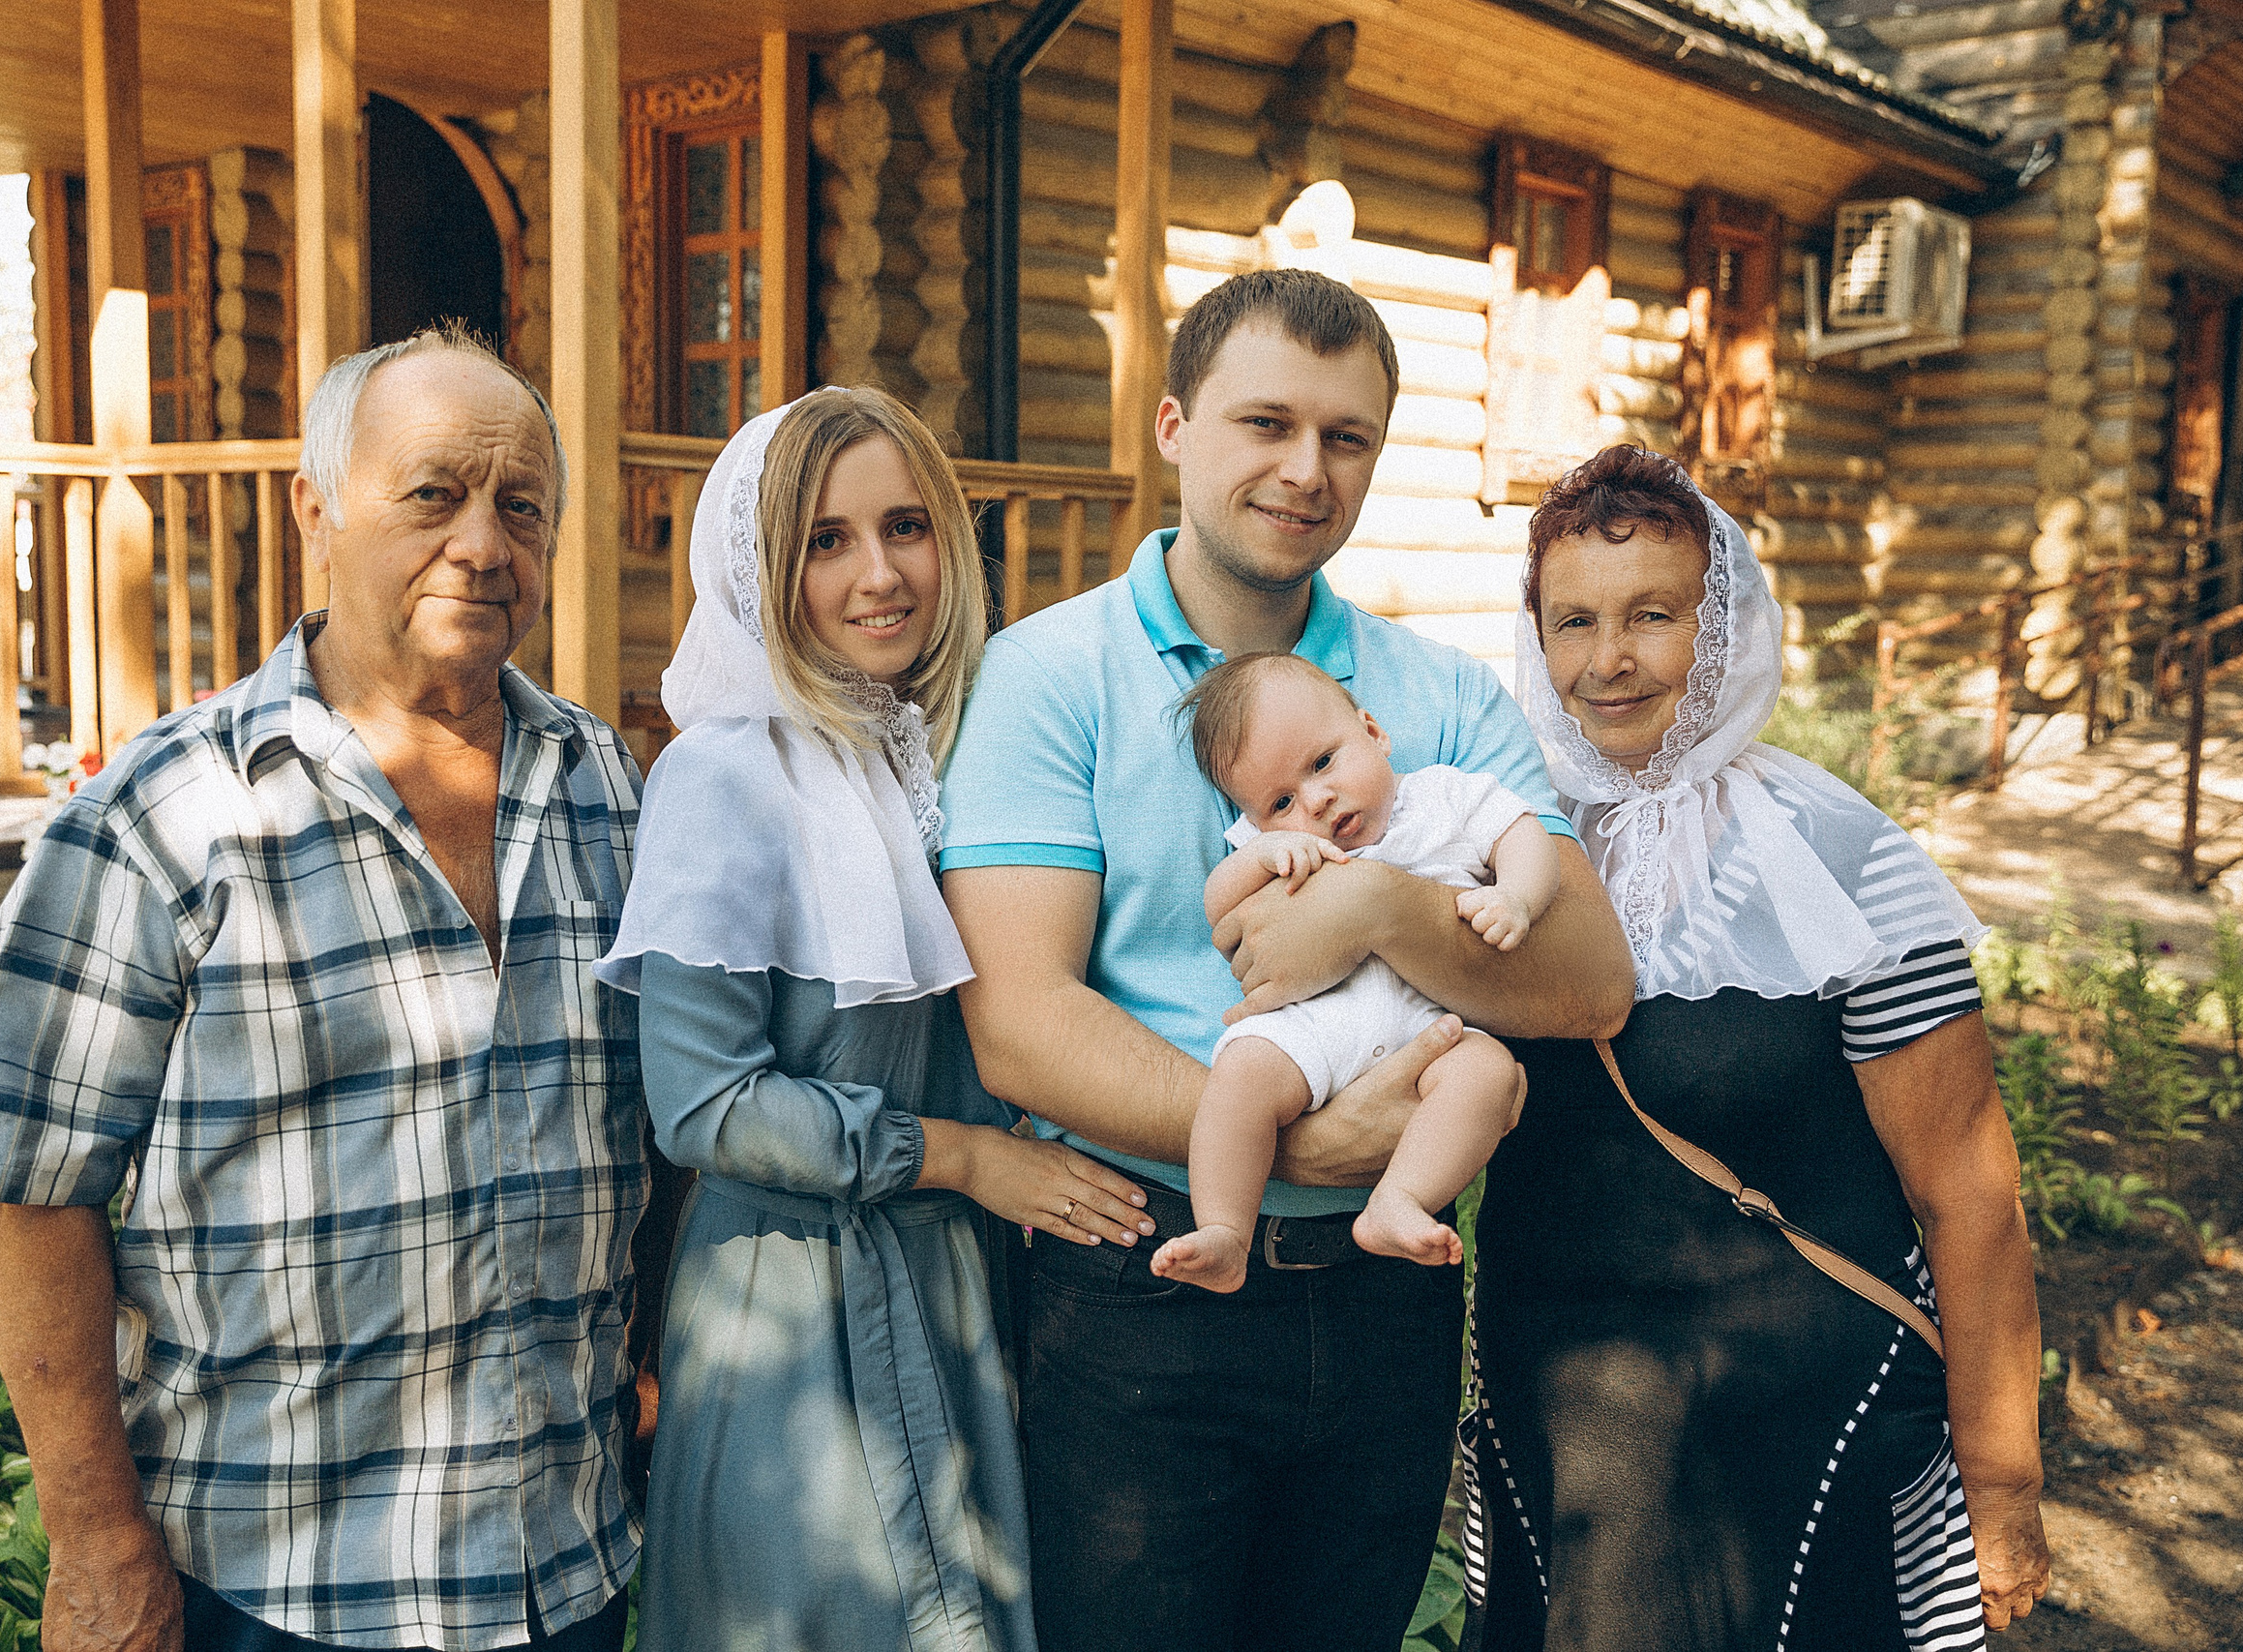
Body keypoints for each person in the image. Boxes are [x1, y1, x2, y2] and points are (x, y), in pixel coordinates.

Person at [938, 267, 1637, 1651]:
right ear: (1173, 425)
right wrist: (1298, 1144)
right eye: (1266, 422)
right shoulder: (1047, 674)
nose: (1306, 470)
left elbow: (1588, 978)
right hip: (1141, 1286)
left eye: (1348, 436)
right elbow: (1019, 1020)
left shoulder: (1431, 694)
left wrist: (1376, 903)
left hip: (1391, 1301)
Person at [0, 327, 648, 1652]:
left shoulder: (609, 787)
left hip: (568, 1567)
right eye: (433, 492)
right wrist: (95, 1542)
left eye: (522, 503)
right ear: (316, 506)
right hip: (283, 1584)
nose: (485, 542)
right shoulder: (161, 818)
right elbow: (31, 1189)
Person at [1463, 443, 2052, 1651]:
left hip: (1798, 1418)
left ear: (1722, 625)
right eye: (1571, 622)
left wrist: (2001, 1483)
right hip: (1565, 1421)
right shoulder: (1498, 846)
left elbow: (1968, 1194)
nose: (1607, 659)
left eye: (1654, 615)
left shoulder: (1840, 855)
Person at [603, 386, 1151, 1652]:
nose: (881, 573)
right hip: (788, 1312)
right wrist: (963, 1155)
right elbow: (703, 1101)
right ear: (760, 566)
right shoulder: (725, 774)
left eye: (906, 525)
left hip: (959, 1283)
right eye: (827, 539)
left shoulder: (937, 754)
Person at [1151, 651, 1554, 1293]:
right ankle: (1226, 1229)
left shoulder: (1446, 796)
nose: (1314, 799)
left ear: (1373, 731)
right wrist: (1262, 856)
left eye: (1323, 761)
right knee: (1241, 1072)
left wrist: (1517, 899)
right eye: (1280, 801)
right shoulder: (1268, 847)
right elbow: (1218, 907)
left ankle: (1399, 1199)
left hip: (1433, 1024)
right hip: (1313, 1029)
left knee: (1488, 1074)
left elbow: (1525, 835)